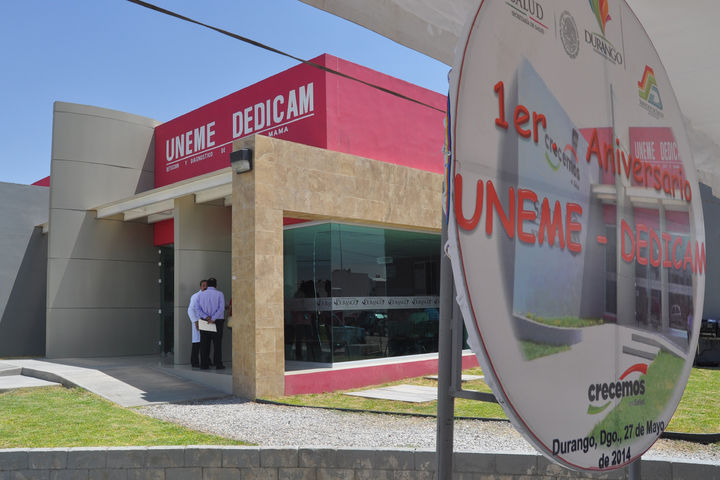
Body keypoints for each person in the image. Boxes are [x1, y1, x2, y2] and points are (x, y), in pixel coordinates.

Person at [195, 277, 226, 370]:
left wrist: (206, 317)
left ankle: (204, 364)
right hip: (217, 322)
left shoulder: (201, 295)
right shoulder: (220, 294)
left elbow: (197, 308)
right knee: (217, 344)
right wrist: (213, 318)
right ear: (216, 285)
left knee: (204, 344)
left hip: (204, 321)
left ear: (207, 285)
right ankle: (218, 364)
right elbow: (221, 308)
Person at [187, 279, 207, 368]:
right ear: (200, 287)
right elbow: (190, 310)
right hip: (198, 321)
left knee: (206, 343)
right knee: (197, 342)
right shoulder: (195, 296)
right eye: (203, 286)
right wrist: (195, 321)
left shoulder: (208, 296)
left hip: (206, 321)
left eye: (206, 286)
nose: (205, 287)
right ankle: (194, 361)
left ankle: (206, 360)